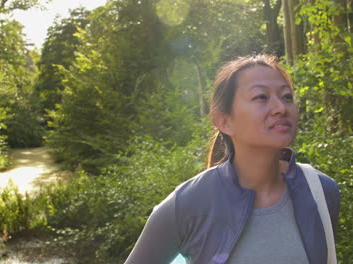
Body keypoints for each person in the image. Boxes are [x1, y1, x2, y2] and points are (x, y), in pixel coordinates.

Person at [125, 54, 340, 264]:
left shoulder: (320, 190)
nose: (281, 108)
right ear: (224, 121)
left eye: (286, 97)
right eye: (261, 97)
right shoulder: (186, 204)